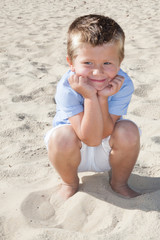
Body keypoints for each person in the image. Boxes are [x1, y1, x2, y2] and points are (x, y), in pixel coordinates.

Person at [44, 14, 141, 200]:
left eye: (107, 63)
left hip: (108, 149)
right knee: (61, 136)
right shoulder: (66, 87)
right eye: (88, 63)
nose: (98, 72)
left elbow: (101, 136)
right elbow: (89, 137)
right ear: (71, 63)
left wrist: (103, 98)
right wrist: (90, 97)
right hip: (72, 152)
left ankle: (119, 182)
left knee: (129, 129)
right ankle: (69, 183)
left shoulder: (123, 83)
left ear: (120, 62)